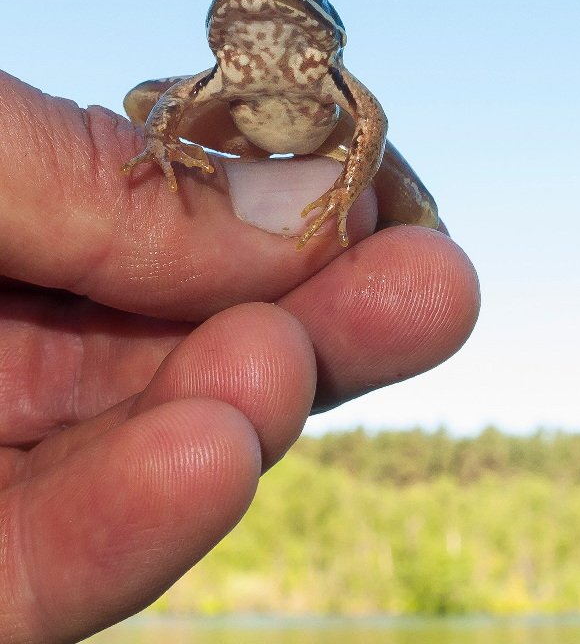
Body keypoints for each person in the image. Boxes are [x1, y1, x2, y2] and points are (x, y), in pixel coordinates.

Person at [0, 70, 480, 641]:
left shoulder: (334, 80)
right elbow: (159, 109)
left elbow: (371, 120)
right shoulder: (218, 76)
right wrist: (160, 145)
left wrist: (348, 188)